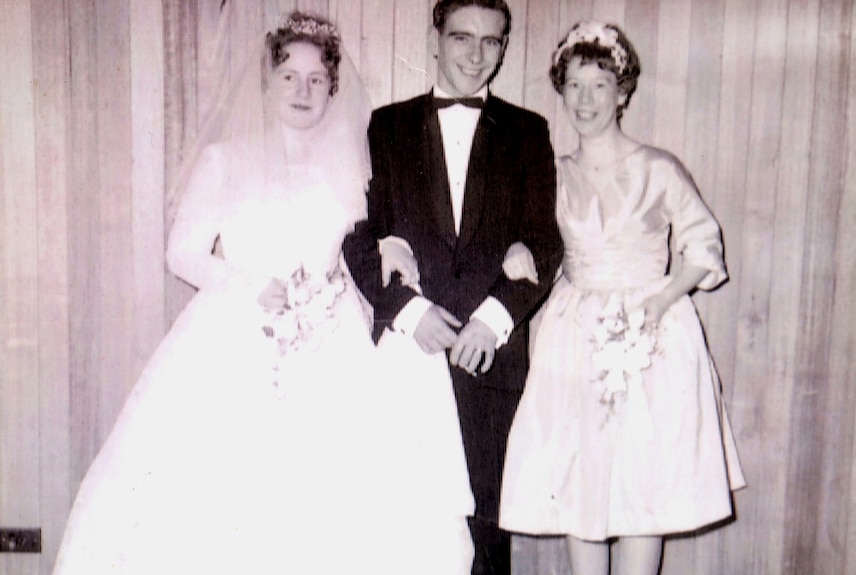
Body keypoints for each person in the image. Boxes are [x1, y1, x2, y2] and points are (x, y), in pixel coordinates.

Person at [51, 10, 473, 575]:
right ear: (267, 83)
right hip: (238, 333)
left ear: (332, 88)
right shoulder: (225, 161)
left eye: (317, 79)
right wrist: (251, 288)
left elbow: (369, 237)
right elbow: (182, 253)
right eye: (289, 77)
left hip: (332, 339)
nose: (303, 90)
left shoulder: (355, 166)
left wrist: (390, 243)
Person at [498, 21, 746, 575]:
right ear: (561, 91)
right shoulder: (552, 174)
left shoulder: (658, 169)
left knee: (643, 485)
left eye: (600, 86)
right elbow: (528, 232)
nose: (586, 101)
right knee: (581, 479)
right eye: (574, 86)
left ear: (623, 92)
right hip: (575, 333)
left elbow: (704, 250)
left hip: (649, 334)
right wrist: (516, 245)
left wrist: (659, 302)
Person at [342, 1, 563, 573]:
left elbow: (545, 243)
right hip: (408, 356)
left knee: (486, 538)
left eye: (492, 41)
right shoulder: (385, 127)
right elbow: (359, 234)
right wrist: (408, 313)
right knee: (399, 528)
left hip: (490, 363)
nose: (475, 54)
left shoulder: (528, 131)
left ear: (505, 47)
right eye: (462, 37)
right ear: (434, 38)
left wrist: (495, 318)